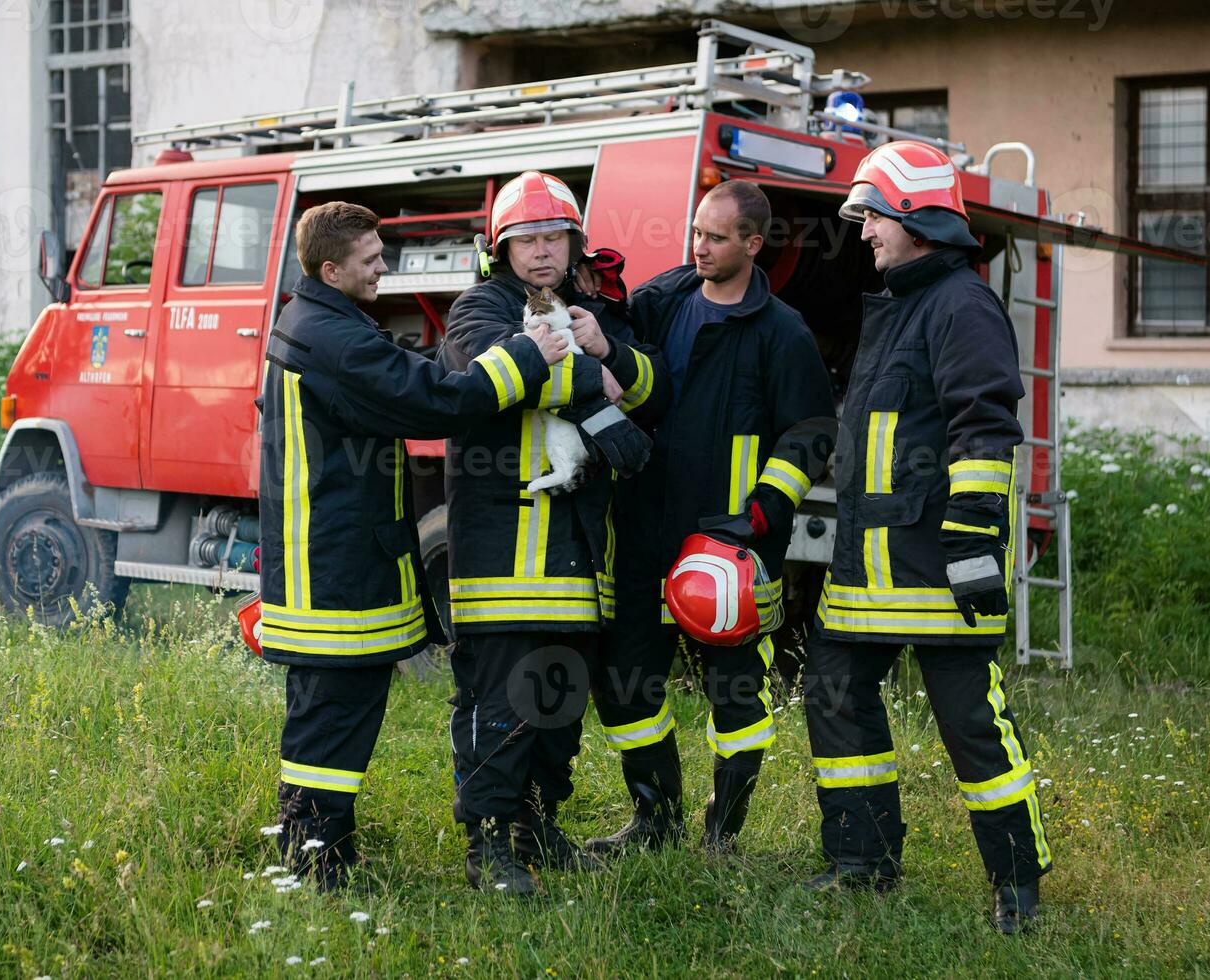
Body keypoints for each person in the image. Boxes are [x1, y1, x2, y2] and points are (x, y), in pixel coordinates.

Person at [258, 201, 566, 891]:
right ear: (330, 269)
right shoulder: (332, 339)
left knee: (333, 721)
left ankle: (321, 854)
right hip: (331, 575)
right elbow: (433, 402)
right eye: (370, 261)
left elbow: (401, 378)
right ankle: (313, 867)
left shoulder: (320, 323)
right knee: (329, 727)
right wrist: (526, 355)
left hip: (326, 565)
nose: (384, 269)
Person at [799, 141, 1052, 933]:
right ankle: (861, 862)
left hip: (937, 566)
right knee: (834, 695)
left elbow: (984, 429)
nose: (865, 231)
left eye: (874, 214)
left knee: (971, 721)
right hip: (864, 570)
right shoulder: (897, 304)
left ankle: (1017, 885)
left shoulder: (961, 305)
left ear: (915, 218)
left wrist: (974, 548)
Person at [585, 180, 835, 855]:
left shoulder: (781, 331)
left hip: (725, 549)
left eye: (716, 237)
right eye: (696, 232)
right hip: (644, 535)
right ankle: (653, 820)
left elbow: (811, 431)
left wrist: (761, 511)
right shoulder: (663, 302)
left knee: (736, 700)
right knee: (627, 682)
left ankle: (722, 834)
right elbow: (611, 352)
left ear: (753, 244)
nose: (699, 246)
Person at [437, 171, 669, 895]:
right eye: (527, 240)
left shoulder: (592, 311)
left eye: (554, 238)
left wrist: (615, 354)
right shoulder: (479, 307)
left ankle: (538, 830)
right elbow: (492, 374)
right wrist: (599, 396)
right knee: (501, 710)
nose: (542, 252)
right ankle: (489, 850)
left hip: (574, 565)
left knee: (558, 710)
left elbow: (655, 393)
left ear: (575, 244)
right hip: (503, 560)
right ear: (501, 250)